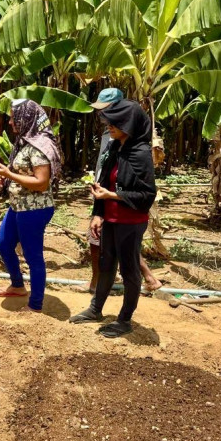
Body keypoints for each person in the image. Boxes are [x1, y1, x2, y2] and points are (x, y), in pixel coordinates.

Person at [69, 99, 157, 337]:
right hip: (111, 218)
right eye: (109, 122)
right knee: (106, 265)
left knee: (130, 271)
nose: (109, 126)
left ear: (129, 124)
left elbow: (147, 194)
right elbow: (104, 182)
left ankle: (124, 320)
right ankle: (95, 309)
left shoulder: (140, 153)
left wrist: (114, 195)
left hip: (130, 221)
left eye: (115, 122)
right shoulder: (115, 149)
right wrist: (98, 213)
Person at [85, 88, 162, 295]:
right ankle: (101, 288)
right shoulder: (109, 135)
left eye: (107, 110)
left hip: (120, 200)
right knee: (114, 246)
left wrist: (110, 195)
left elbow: (145, 190)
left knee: (121, 246)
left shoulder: (135, 147)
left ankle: (116, 293)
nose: (102, 116)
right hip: (105, 194)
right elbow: (106, 163)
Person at [0, 99, 60, 312]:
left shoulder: (40, 146)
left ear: (26, 118)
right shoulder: (24, 141)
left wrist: (8, 174)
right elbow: (23, 173)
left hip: (34, 209)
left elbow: (41, 183)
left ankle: (36, 304)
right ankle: (18, 285)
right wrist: (6, 179)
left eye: (14, 118)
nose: (11, 122)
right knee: (3, 244)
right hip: (19, 205)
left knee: (33, 256)